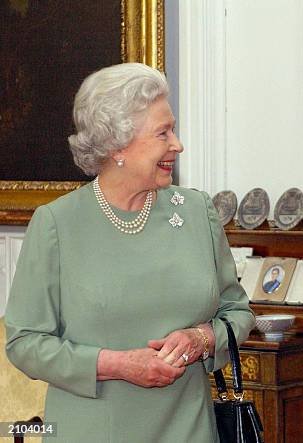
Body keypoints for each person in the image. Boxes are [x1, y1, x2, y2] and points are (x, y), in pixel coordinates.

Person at [4, 63, 255, 442]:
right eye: (163, 133)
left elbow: (237, 311)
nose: (177, 144)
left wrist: (202, 339)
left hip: (190, 430)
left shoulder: (196, 212)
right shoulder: (57, 224)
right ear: (118, 145)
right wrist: (117, 365)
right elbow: (25, 343)